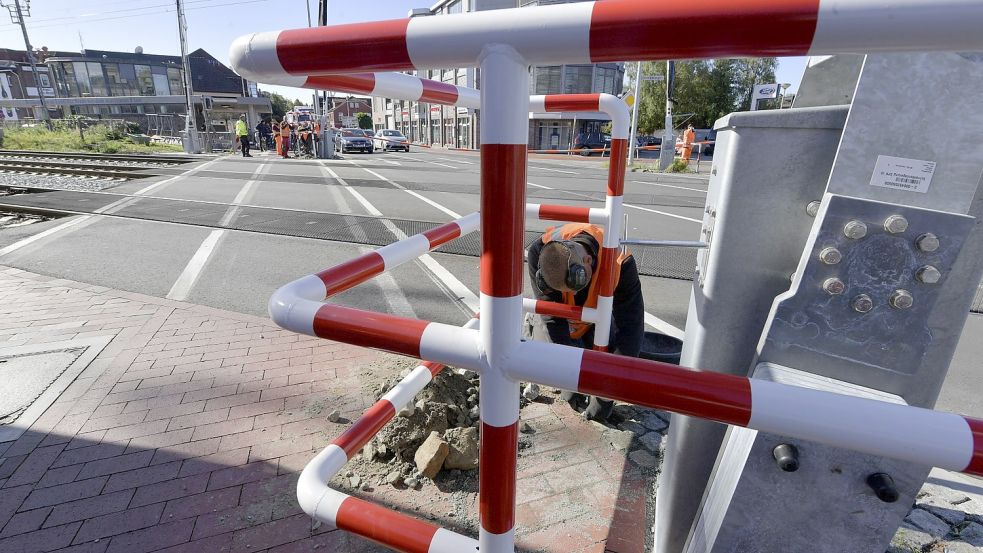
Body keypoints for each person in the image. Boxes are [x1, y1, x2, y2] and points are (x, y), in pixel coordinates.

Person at [526, 223, 644, 422]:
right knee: (566, 386)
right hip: (563, 320)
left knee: (602, 397)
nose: (572, 294)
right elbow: (552, 318)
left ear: (587, 260)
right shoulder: (540, 252)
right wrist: (570, 376)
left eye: (576, 285)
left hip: (597, 320)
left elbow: (631, 327)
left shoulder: (620, 263)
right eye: (565, 289)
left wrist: (606, 391)